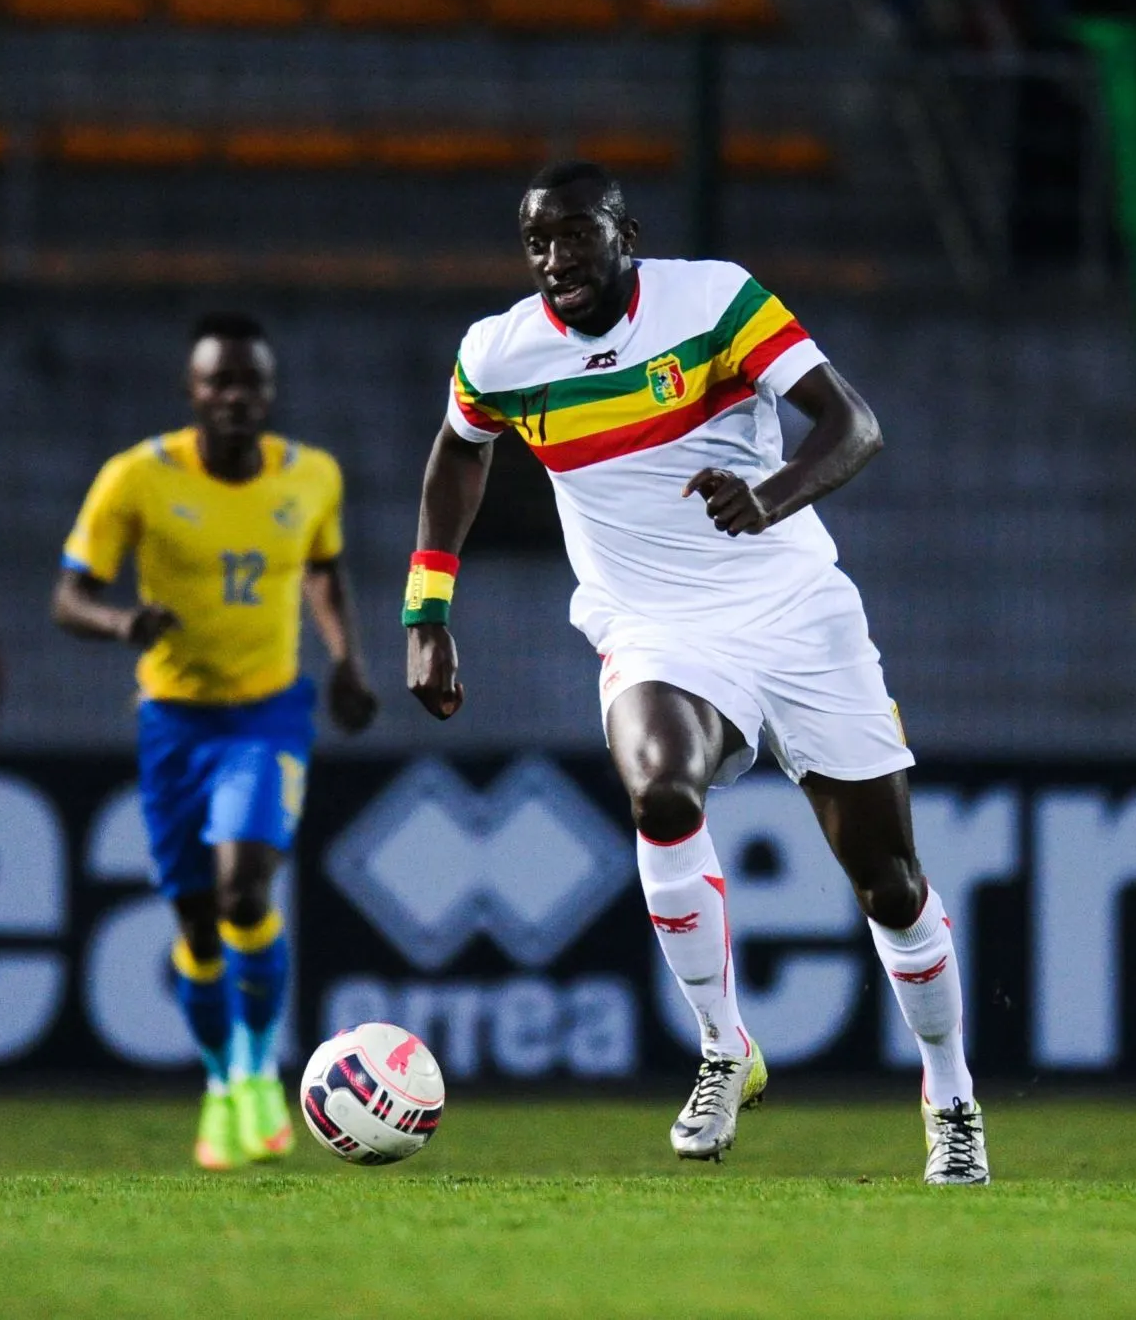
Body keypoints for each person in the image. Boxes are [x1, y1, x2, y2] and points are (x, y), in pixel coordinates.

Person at [404, 162, 989, 1184]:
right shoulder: (498, 352)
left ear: (623, 232)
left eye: (574, 233)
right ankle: (723, 1046)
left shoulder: (714, 300)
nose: (555, 259)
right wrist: (427, 611)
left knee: (889, 883)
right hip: (654, 627)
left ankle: (950, 1095)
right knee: (660, 790)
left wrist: (771, 494)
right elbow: (459, 453)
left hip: (795, 613)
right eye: (536, 241)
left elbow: (852, 424)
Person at [52, 312, 378, 1170]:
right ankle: (220, 1080)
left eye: (251, 383)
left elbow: (323, 567)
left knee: (245, 886)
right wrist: (123, 622)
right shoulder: (137, 478)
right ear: (192, 391)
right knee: (198, 925)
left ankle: (258, 1069)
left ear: (270, 394)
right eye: (218, 382)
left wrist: (346, 659)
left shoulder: (312, 475)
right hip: (174, 721)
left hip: (267, 714)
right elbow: (68, 595)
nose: (235, 396)